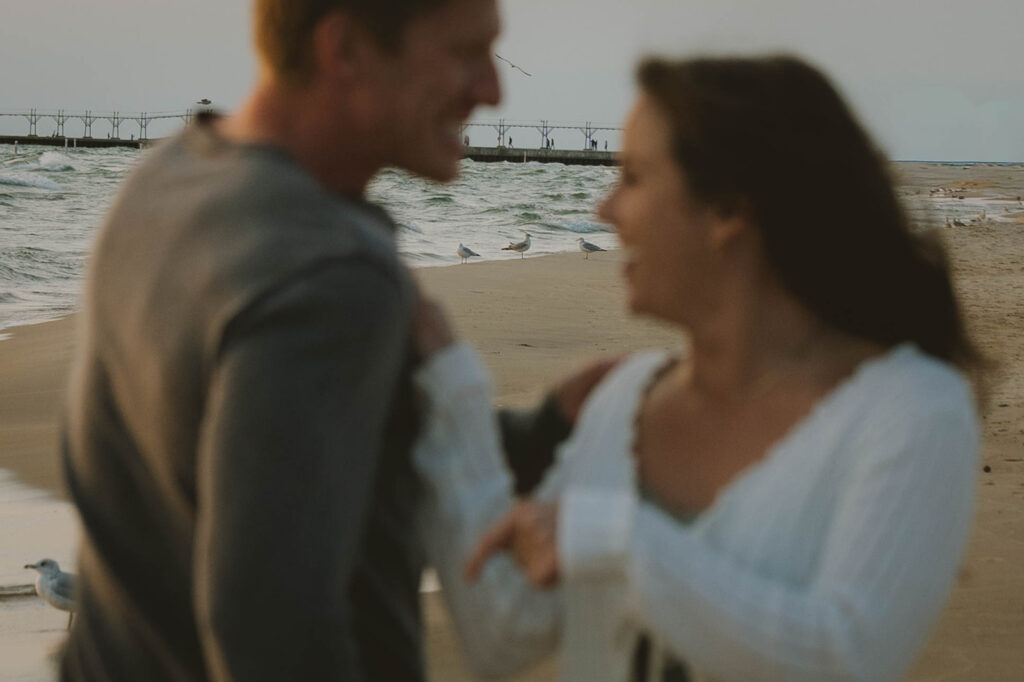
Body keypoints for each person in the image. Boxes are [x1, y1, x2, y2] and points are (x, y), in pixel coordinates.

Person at [412, 55, 981, 681]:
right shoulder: (624, 401)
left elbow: (843, 657)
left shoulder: (911, 411)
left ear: (727, 212)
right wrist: (447, 388)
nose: (605, 209)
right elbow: (505, 630)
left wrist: (612, 541)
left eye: (633, 177)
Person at [60, 0, 509, 679]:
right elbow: (265, 626)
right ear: (345, 48)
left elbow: (318, 452)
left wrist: (560, 425)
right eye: (464, 54)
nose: (492, 91)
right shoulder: (330, 270)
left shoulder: (167, 177)